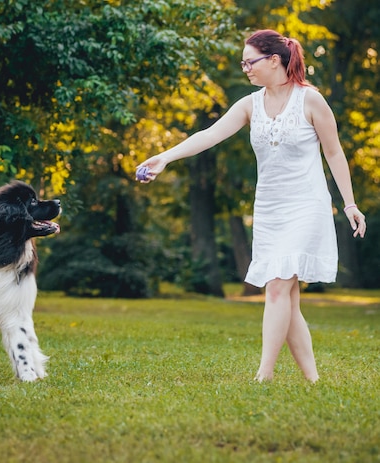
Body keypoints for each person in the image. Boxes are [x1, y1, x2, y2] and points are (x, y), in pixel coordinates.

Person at [136, 29, 366, 383]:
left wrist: (349, 203)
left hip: (307, 204)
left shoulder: (311, 101)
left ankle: (264, 375)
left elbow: (334, 152)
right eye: (243, 62)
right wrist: (164, 157)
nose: (245, 68)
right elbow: (209, 135)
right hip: (270, 208)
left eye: (250, 61)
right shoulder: (250, 104)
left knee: (276, 287)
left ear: (274, 60)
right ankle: (314, 380)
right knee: (287, 298)